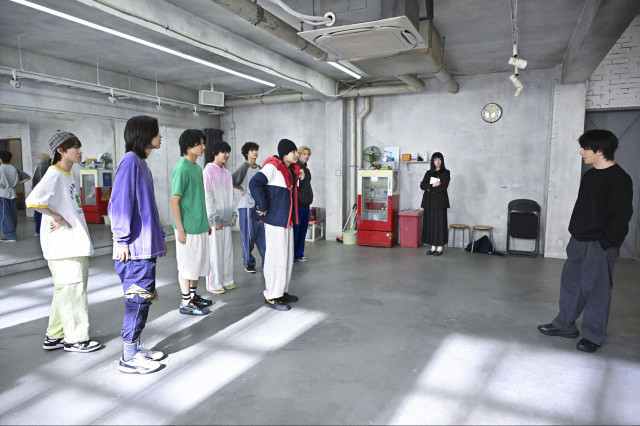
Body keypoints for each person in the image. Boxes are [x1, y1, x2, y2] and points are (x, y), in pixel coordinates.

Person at [538, 129, 633, 353]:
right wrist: (575, 233)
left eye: (585, 148)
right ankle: (565, 324)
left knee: (597, 291)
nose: (581, 152)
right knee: (571, 284)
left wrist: (605, 243)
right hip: (578, 240)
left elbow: (621, 216)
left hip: (599, 244)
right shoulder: (590, 175)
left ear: (600, 151)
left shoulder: (619, 179)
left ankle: (593, 335)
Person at [25, 131, 102, 353]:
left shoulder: (66, 174)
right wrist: (56, 217)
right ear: (60, 150)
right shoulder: (55, 174)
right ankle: (75, 340)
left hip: (72, 243)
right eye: (75, 147)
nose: (80, 151)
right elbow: (33, 201)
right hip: (64, 246)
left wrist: (58, 215)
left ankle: (55, 336)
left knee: (65, 292)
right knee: (73, 292)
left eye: (79, 146)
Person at [108, 116, 168, 374]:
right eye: (157, 132)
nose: (160, 136)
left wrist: (159, 238)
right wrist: (120, 239)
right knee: (137, 300)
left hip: (145, 247)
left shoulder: (140, 163)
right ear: (144, 135)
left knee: (143, 299)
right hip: (134, 250)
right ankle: (129, 357)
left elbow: (148, 208)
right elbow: (119, 204)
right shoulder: (130, 162)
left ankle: (135, 347)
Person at [249, 139, 301, 311]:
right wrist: (262, 206)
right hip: (276, 221)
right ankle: (271, 296)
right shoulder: (273, 167)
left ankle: (281, 292)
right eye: (294, 152)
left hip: (286, 221)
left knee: (286, 259)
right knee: (275, 259)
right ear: (285, 154)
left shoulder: (290, 171)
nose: (296, 155)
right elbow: (254, 183)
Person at [171, 129, 213, 316]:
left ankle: (193, 296)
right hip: (187, 228)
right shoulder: (181, 169)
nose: (203, 147)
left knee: (198, 264)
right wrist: (180, 229)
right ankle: (185, 301)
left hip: (200, 225)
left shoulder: (197, 168)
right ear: (188, 146)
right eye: (200, 143)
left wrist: (206, 223)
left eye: (203, 143)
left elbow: (199, 199)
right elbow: (174, 200)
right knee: (187, 266)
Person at [203, 141, 237, 294]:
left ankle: (227, 280)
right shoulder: (208, 171)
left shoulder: (227, 174)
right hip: (215, 221)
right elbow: (208, 197)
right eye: (224, 152)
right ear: (215, 153)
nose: (227, 155)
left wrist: (233, 214)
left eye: (228, 152)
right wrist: (214, 219)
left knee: (227, 253)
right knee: (215, 253)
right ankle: (214, 284)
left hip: (227, 219)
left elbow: (231, 196)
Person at [232, 141, 266, 274]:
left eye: (256, 150)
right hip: (246, 206)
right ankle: (248, 263)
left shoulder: (260, 168)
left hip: (258, 207)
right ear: (246, 153)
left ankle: (266, 262)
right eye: (252, 150)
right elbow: (231, 180)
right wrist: (241, 189)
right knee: (248, 236)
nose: (255, 152)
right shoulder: (244, 167)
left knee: (261, 236)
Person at [419, 152, 450, 256]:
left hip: (440, 203)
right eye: (435, 159)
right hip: (429, 203)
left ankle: (439, 248)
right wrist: (433, 185)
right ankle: (432, 247)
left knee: (439, 225)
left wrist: (429, 188)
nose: (438, 161)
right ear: (432, 161)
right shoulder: (428, 173)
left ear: (442, 161)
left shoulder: (446, 173)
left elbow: (443, 187)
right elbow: (422, 186)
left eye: (440, 159)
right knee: (430, 225)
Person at [0, 150, 31, 242]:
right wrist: (15, 185)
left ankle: (10, 236)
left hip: (2, 194)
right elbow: (28, 177)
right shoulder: (14, 168)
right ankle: (12, 234)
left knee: (4, 215)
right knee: (12, 214)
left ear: (1, 159)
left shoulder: (1, 168)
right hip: (13, 193)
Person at [293, 146, 313, 262]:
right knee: (296, 230)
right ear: (299, 155)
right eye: (304, 154)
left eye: (308, 154)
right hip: (298, 205)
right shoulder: (295, 168)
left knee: (303, 230)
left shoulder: (306, 170)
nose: (307, 156)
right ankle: (292, 254)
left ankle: (299, 254)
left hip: (306, 205)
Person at [32, 152, 51, 236]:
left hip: (40, 193)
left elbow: (38, 181)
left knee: (39, 212)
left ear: (40, 159)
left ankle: (39, 231)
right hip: (48, 193)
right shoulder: (50, 167)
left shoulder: (39, 167)